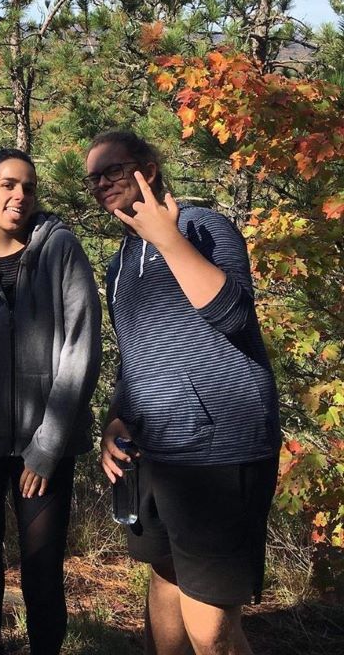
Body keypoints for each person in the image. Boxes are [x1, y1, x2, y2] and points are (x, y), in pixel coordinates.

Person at [84, 130, 281, 655]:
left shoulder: (201, 226)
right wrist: (117, 418)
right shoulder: (120, 262)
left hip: (220, 452)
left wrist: (167, 239)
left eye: (113, 170)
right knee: (165, 576)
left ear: (147, 167)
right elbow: (135, 354)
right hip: (155, 453)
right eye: (94, 178)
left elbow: (234, 315)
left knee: (211, 632)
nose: (102, 183)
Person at [0, 148, 102, 655]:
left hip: (45, 444)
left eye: (28, 187)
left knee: (42, 559)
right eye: (8, 185)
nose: (20, 195)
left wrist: (47, 445)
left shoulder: (61, 251)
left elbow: (81, 348)